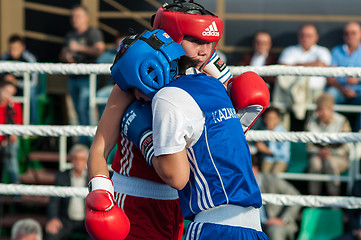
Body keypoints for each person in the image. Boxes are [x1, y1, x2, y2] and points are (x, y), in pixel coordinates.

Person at [85, 1, 237, 239]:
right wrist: (101, 190)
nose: (204, 51)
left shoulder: (207, 79)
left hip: (180, 205)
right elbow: (99, 148)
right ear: (171, 36)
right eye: (195, 41)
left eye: (208, 42)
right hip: (133, 201)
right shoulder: (135, 77)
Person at [59, 5, 105, 135]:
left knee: (86, 109)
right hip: (73, 78)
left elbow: (99, 50)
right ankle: (82, 141)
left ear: (86, 18)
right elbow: (63, 54)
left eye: (78, 16)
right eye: (72, 16)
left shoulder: (93, 32)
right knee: (76, 111)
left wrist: (79, 48)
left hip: (87, 79)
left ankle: (89, 142)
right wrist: (66, 56)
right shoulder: (70, 34)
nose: (74, 19)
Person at [274, 24, 332, 125]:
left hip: (315, 92)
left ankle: (310, 133)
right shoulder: (290, 50)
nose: (305, 39)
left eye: (309, 36)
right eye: (302, 35)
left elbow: (322, 65)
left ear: (316, 37)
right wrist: (312, 64)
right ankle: (282, 135)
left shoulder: (322, 51)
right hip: (291, 92)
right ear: (298, 36)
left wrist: (296, 65)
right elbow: (283, 67)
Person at [305, 93, 351, 196]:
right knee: (314, 163)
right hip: (317, 155)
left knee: (330, 163)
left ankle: (334, 200)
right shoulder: (311, 122)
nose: (321, 113)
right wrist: (319, 152)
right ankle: (313, 199)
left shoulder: (342, 121)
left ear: (331, 110)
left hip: (339, 157)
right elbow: (308, 145)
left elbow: (348, 146)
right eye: (319, 110)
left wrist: (333, 152)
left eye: (324, 110)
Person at [45, 144, 89, 240]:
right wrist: (53, 218)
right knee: (51, 235)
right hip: (66, 220)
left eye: (82, 159)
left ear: (86, 160)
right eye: (75, 158)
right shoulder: (62, 175)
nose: (78, 162)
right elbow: (54, 200)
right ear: (71, 159)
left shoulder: (92, 177)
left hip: (88, 220)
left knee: (102, 235)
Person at [252, 156, 301, 240]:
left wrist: (283, 219)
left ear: (255, 168)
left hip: (279, 225)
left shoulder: (271, 180)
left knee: (275, 231)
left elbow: (296, 196)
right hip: (255, 226)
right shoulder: (241, 185)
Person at [326, 21, 361, 132]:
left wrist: (359, 78)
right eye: (347, 33)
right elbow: (330, 77)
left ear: (360, 34)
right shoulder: (336, 51)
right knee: (329, 97)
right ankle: (332, 138)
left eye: (353, 33)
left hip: (359, 92)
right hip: (339, 91)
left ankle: (358, 139)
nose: (350, 36)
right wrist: (343, 89)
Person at [1, 34, 38, 124]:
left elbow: (33, 82)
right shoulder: (5, 58)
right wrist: (5, 80)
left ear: (22, 47)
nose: (13, 52)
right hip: (9, 88)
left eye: (16, 49)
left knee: (31, 92)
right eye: (11, 49)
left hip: (25, 87)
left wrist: (16, 82)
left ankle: (32, 127)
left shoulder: (29, 59)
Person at [0, 80, 23, 184]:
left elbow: (15, 131)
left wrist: (5, 142)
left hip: (8, 142)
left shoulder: (14, 107)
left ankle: (16, 191)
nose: (7, 95)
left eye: (10, 93)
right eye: (5, 91)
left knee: (11, 152)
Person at [256, 107, 290, 173]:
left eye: (273, 118)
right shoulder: (261, 131)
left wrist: (267, 151)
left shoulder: (283, 133)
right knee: (264, 172)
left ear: (278, 119)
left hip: (281, 160)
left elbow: (284, 154)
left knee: (274, 174)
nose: (270, 121)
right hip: (266, 159)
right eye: (268, 118)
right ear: (264, 119)